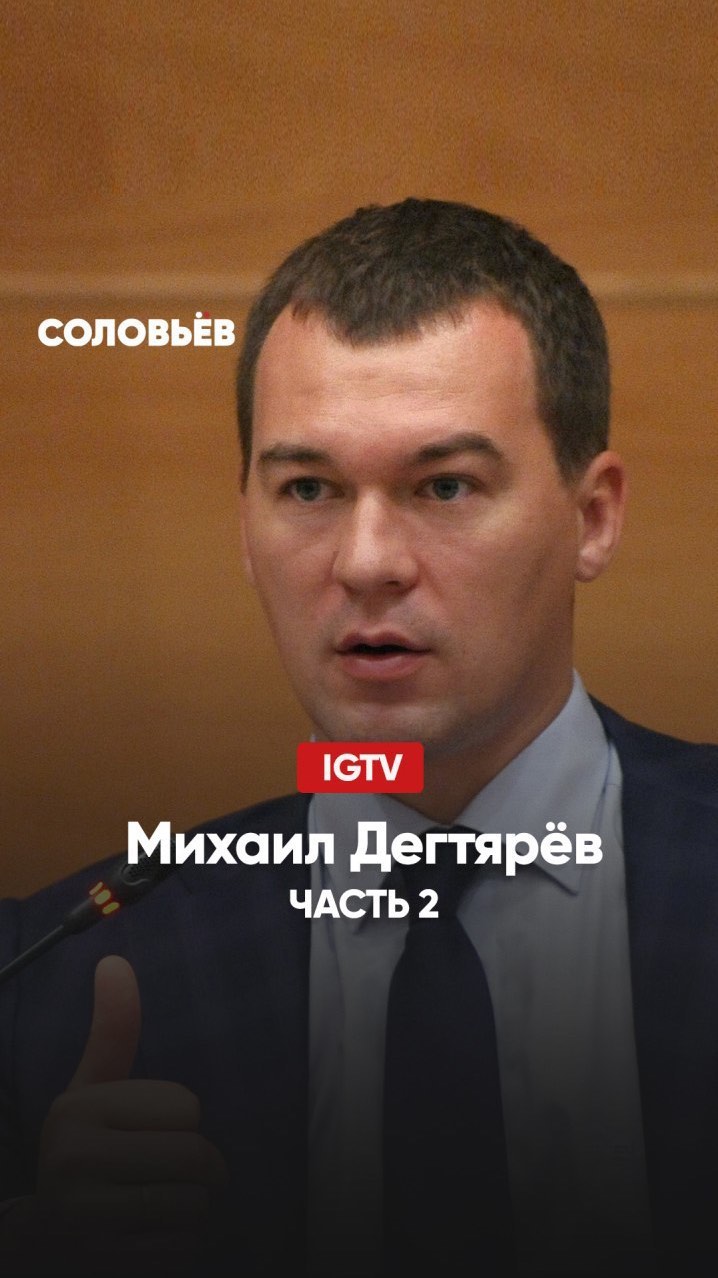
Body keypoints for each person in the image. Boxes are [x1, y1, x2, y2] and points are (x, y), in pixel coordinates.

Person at [0, 199, 716, 1278]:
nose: (367, 561)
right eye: (309, 489)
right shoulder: (54, 982)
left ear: (593, 516)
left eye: (443, 486)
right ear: (246, 529)